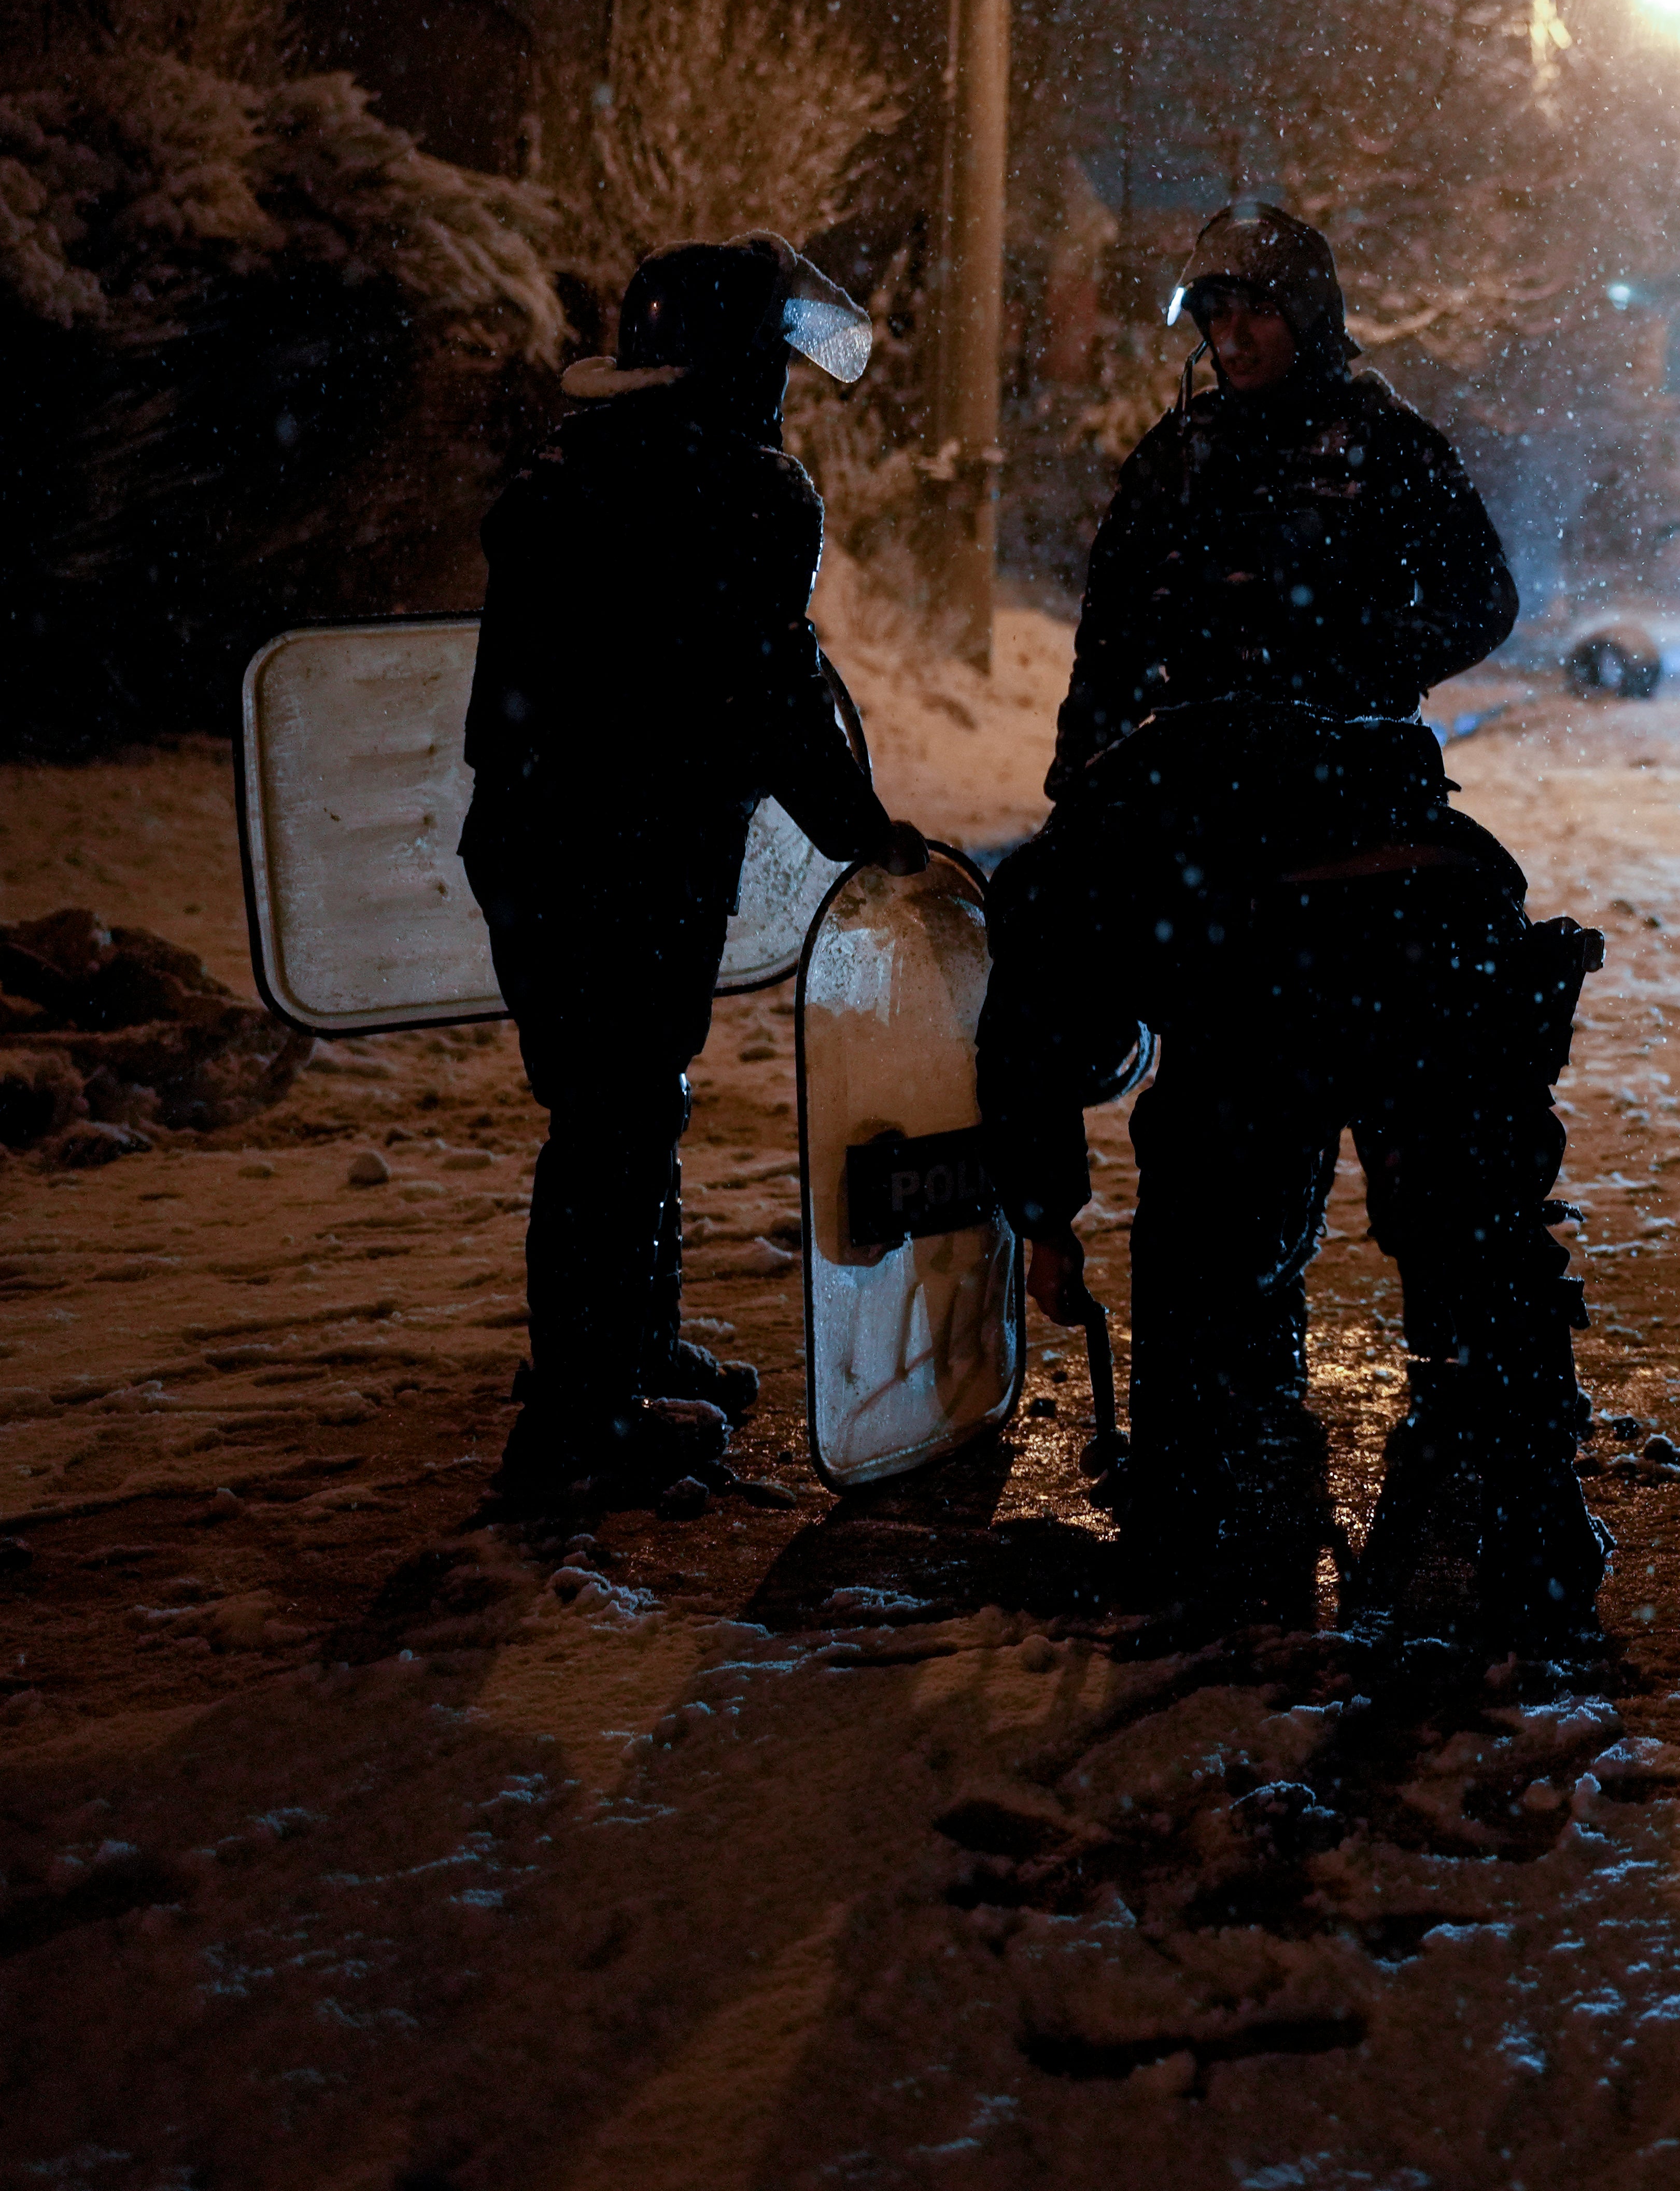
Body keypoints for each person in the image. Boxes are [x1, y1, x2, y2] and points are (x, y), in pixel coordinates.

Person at [975, 204, 1604, 1637]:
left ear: (1309, 314)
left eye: (1258, 309)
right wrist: (1097, 768)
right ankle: (1223, 1457)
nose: (1235, 336)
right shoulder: (1177, 459)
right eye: (1216, 313)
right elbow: (1113, 636)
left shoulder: (1383, 445)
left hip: (1378, 857)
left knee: (1465, 1216)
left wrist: (1341, 660)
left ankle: (1494, 1473)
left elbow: (1477, 597)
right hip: (1221, 875)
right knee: (1211, 1206)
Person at [462, 234, 926, 1504]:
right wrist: (862, 828)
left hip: (528, 843)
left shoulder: (575, 463)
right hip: (631, 849)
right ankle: (580, 1421)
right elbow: (766, 688)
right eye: (775, 359)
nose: (783, 384)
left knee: (618, 1105)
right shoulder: (741, 488)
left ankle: (624, 1351)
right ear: (736, 363)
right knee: (615, 1122)